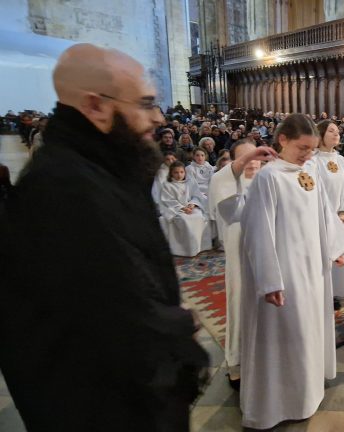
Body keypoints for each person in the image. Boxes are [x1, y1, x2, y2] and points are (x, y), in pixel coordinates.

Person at [0, 43, 207, 431]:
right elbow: (114, 315)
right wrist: (177, 326)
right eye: (145, 103)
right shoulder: (64, 188)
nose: (157, 118)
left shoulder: (101, 164)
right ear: (96, 106)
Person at [239, 114, 344, 430]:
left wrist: (336, 249)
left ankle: (307, 393)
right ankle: (279, 404)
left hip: (314, 270)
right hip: (286, 273)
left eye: (312, 150)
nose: (307, 155)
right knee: (289, 335)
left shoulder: (308, 175)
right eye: (302, 148)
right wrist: (270, 280)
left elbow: (325, 216)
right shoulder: (269, 178)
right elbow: (258, 232)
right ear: (283, 140)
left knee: (310, 331)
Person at [207, 138, 270, 389]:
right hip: (241, 258)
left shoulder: (268, 180)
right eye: (245, 157)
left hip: (269, 256)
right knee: (239, 304)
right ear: (234, 161)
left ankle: (267, 358)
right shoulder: (226, 182)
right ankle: (237, 364)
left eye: (256, 156)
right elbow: (229, 209)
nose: (252, 161)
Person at [312, 120, 344, 301]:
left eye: (337, 131)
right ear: (320, 135)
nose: (336, 134)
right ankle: (321, 293)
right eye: (331, 131)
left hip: (339, 219)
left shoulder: (341, 160)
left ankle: (334, 294)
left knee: (337, 256)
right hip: (319, 219)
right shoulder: (312, 161)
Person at [159, 161, 213, 257]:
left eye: (181, 172)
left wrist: (193, 204)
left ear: (185, 172)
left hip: (190, 207)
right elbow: (167, 200)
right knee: (185, 220)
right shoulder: (167, 184)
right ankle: (186, 250)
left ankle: (200, 247)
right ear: (171, 173)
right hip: (176, 209)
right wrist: (182, 208)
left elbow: (197, 195)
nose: (179, 175)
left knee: (199, 217)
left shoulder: (190, 181)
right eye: (176, 172)